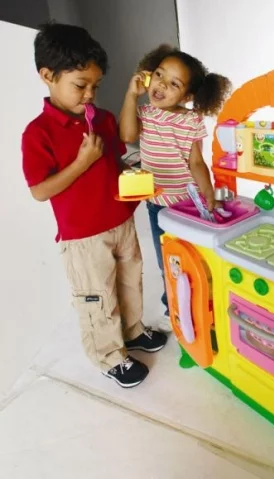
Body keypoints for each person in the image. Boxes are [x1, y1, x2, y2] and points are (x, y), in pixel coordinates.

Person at [21, 22, 167, 388]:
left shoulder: (102, 119)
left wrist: (137, 177)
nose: (89, 95)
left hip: (120, 220)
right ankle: (109, 356)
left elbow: (116, 161)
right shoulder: (38, 133)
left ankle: (133, 331)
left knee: (130, 282)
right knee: (97, 297)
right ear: (47, 76)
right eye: (80, 85)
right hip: (83, 237)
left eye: (95, 86)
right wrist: (81, 163)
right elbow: (40, 191)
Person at [119, 44, 232, 332]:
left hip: (187, 203)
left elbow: (196, 162)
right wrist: (131, 95)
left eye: (174, 84)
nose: (161, 85)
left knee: (194, 258)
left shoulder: (190, 120)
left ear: (188, 96)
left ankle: (203, 306)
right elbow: (127, 135)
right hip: (157, 205)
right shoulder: (144, 112)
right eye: (159, 75)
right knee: (166, 261)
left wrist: (208, 193)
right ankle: (174, 309)